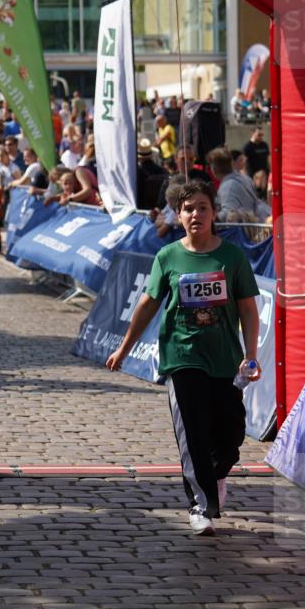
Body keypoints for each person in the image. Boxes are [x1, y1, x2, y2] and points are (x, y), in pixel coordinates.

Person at [107, 180, 260, 536]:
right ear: (178, 215)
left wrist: (251, 354)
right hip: (182, 354)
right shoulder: (168, 257)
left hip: (225, 358)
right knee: (191, 432)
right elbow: (148, 304)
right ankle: (200, 505)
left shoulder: (232, 257)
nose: (196, 214)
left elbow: (248, 309)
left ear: (214, 212)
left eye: (203, 207)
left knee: (231, 432)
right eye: (189, 209)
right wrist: (124, 347)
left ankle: (217, 474)